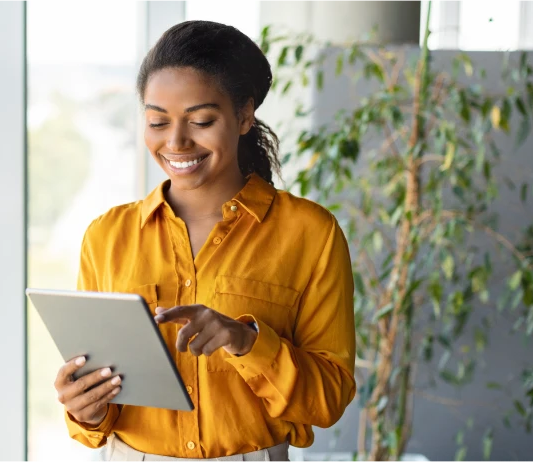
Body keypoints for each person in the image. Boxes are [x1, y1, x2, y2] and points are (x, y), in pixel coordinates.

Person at [53, 20, 356, 462]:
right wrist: (85, 408)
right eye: (158, 121)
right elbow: (99, 408)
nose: (175, 141)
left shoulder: (310, 233)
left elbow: (329, 400)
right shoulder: (107, 236)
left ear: (244, 115)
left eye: (200, 120)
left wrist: (246, 341)